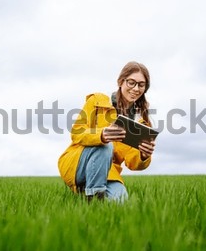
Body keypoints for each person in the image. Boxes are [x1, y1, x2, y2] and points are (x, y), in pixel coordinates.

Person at [58, 61, 156, 202]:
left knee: (121, 202)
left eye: (141, 85)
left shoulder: (139, 122)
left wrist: (144, 156)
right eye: (131, 82)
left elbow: (133, 164)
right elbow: (76, 133)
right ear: (121, 82)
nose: (136, 88)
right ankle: (93, 198)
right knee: (106, 145)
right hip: (78, 163)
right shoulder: (97, 101)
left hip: (109, 173)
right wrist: (101, 136)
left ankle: (90, 193)